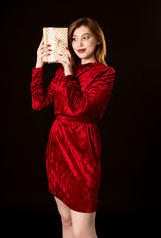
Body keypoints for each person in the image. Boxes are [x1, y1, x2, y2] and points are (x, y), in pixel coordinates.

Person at [31, 17, 116, 238]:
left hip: (82, 151)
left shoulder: (105, 74)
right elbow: (39, 102)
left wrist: (69, 70)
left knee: (83, 230)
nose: (79, 43)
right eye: (74, 38)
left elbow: (80, 109)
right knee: (67, 221)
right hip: (57, 148)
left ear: (98, 41)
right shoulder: (61, 71)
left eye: (85, 37)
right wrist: (39, 65)